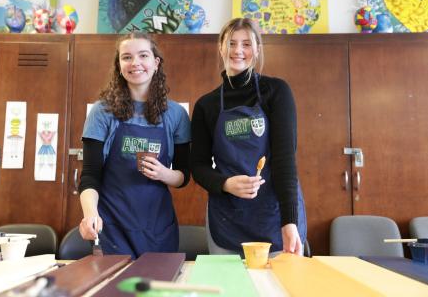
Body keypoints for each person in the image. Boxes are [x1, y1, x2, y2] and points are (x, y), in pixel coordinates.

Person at [191, 18, 307, 255]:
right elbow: (198, 166)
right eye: (231, 43)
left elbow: (285, 161)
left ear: (257, 49)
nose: (238, 51)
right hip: (227, 221)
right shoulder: (207, 104)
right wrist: (225, 183)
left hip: (273, 217)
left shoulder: (276, 91)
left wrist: (289, 221)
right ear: (221, 47)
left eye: (246, 43)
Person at [78, 32, 191, 258]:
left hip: (159, 227)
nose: (135, 63)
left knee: (155, 292)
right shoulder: (102, 112)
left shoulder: (176, 114)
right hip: (112, 228)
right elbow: (90, 175)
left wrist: (163, 173)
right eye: (127, 57)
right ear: (119, 65)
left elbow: (184, 176)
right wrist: (90, 214)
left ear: (155, 62)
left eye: (143, 55)